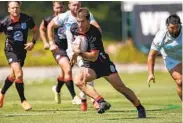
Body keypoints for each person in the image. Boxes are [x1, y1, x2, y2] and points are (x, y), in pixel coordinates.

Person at [70, 8, 146, 118]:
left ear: (88, 20)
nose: (80, 24)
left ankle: (139, 107)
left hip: (102, 63)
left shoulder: (94, 33)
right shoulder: (74, 28)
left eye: (82, 21)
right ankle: (101, 102)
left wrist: (79, 53)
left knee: (121, 88)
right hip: (90, 66)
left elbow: (93, 56)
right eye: (78, 21)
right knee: (78, 80)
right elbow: (77, 42)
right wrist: (75, 52)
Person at [47, 1, 101, 111]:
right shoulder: (64, 16)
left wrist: (96, 35)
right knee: (86, 72)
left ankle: (83, 98)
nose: (76, 7)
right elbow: (50, 25)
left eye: (78, 4)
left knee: (84, 74)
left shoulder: (86, 15)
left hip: (85, 50)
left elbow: (97, 27)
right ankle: (94, 100)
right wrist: (51, 42)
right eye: (74, 4)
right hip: (73, 51)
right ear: (69, 6)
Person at [39, 1, 81, 105]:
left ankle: (57, 89)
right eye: (57, 8)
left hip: (70, 48)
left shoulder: (68, 17)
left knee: (64, 73)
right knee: (67, 69)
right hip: (58, 49)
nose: (60, 10)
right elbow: (42, 29)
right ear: (53, 8)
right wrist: (47, 42)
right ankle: (74, 97)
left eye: (61, 8)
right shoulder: (49, 19)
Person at [0, 1, 39, 110]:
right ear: (9, 10)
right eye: (12, 8)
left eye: (17, 7)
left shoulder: (27, 19)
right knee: (19, 73)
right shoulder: (4, 22)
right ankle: (23, 100)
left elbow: (36, 31)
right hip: (10, 50)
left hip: (22, 51)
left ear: (19, 8)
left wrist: (32, 42)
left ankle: (2, 93)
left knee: (13, 75)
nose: (15, 10)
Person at [147, 14, 182, 100]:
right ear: (167, 26)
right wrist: (151, 73)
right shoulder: (160, 37)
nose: (174, 30)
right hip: (171, 58)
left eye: (177, 27)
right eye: (172, 28)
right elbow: (151, 56)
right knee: (180, 81)